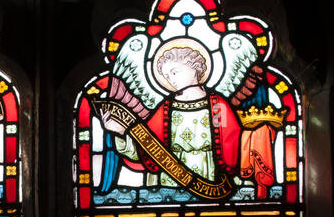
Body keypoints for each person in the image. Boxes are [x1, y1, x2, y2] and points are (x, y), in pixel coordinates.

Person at [100, 40, 241, 190]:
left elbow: (230, 142)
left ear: (195, 69)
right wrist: (122, 132)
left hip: (212, 181)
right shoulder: (165, 110)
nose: (171, 79)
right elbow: (147, 150)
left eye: (174, 72)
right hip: (170, 182)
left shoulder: (218, 107)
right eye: (166, 75)